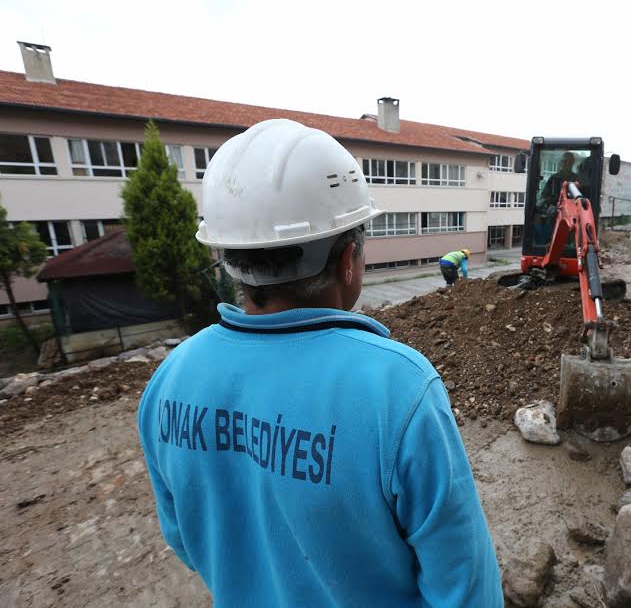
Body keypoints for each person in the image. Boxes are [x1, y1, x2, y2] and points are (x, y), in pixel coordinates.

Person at [136, 120, 502, 607]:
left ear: (228, 257)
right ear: (349, 258)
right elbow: (466, 590)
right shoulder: (399, 391)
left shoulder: (170, 379)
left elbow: (185, 539)